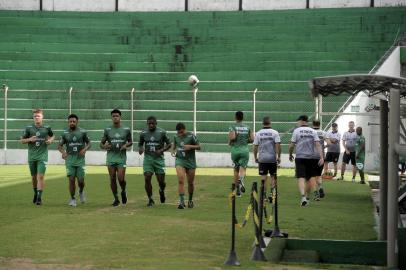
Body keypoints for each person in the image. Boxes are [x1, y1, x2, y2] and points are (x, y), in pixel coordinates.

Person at [20, 109, 54, 205]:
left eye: (38, 116)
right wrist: (30, 139)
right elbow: (22, 140)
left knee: (41, 176)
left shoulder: (47, 127)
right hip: (32, 156)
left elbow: (52, 136)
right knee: (34, 177)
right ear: (33, 117)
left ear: (42, 117)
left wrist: (50, 140)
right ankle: (35, 193)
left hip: (42, 156)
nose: (36, 117)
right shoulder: (29, 128)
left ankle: (39, 197)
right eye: (35, 116)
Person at [288, 115, 324, 206]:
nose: (297, 123)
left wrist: (290, 154)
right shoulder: (313, 131)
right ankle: (307, 197)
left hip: (300, 157)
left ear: (302, 121)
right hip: (310, 158)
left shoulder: (297, 131)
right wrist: (321, 157)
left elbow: (292, 145)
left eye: (298, 121)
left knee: (301, 177)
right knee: (309, 178)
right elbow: (318, 145)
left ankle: (303, 197)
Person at [100, 109, 132, 207]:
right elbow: (101, 144)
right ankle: (116, 198)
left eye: (117, 116)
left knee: (121, 178)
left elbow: (130, 142)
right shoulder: (107, 130)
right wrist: (105, 146)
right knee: (112, 178)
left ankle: (123, 190)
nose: (115, 117)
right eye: (113, 116)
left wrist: (126, 146)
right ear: (111, 118)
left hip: (121, 157)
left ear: (120, 117)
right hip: (111, 157)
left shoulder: (126, 129)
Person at [58, 114, 91, 207]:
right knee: (71, 179)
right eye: (70, 121)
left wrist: (84, 149)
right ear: (68, 122)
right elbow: (59, 146)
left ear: (77, 122)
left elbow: (89, 143)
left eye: (74, 121)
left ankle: (81, 191)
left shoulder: (83, 132)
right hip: (70, 160)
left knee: (81, 181)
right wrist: (63, 152)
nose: (72, 123)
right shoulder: (65, 133)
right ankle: (72, 199)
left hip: (80, 159)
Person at [139, 116, 171, 207]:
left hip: (159, 159)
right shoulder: (143, 133)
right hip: (148, 158)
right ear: (147, 124)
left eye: (153, 123)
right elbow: (140, 144)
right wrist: (141, 149)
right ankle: (150, 199)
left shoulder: (162, 132)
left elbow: (169, 144)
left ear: (156, 123)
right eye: (149, 123)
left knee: (161, 181)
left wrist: (161, 150)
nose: (151, 125)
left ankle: (161, 190)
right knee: (147, 177)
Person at [171, 123, 201, 209]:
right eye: (178, 132)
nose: (180, 134)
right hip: (180, 160)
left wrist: (190, 146)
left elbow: (199, 147)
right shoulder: (176, 136)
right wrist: (172, 151)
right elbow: (174, 145)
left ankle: (190, 200)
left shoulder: (191, 136)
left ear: (184, 129)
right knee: (181, 180)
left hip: (190, 161)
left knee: (190, 183)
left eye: (181, 132)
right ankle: (181, 202)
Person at [253, 116, 281, 201]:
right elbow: (278, 146)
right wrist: (278, 156)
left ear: (262, 123)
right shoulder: (275, 133)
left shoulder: (258, 133)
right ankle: (272, 193)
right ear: (270, 123)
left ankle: (263, 195)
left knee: (263, 177)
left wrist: (255, 157)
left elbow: (255, 147)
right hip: (272, 158)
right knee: (273, 176)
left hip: (262, 158)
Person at [228, 111, 254, 197]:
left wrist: (232, 139)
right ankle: (241, 180)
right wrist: (246, 140)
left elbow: (232, 138)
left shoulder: (232, 127)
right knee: (243, 168)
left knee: (236, 169)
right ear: (243, 118)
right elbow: (252, 139)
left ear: (235, 117)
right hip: (244, 150)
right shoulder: (247, 127)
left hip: (235, 150)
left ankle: (237, 191)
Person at [311, 120, 326, 200]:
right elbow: (329, 143)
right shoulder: (323, 133)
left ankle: (316, 193)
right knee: (319, 175)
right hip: (321, 157)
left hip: (312, 157)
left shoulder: (311, 132)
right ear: (320, 125)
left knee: (312, 176)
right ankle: (320, 187)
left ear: (313, 124)